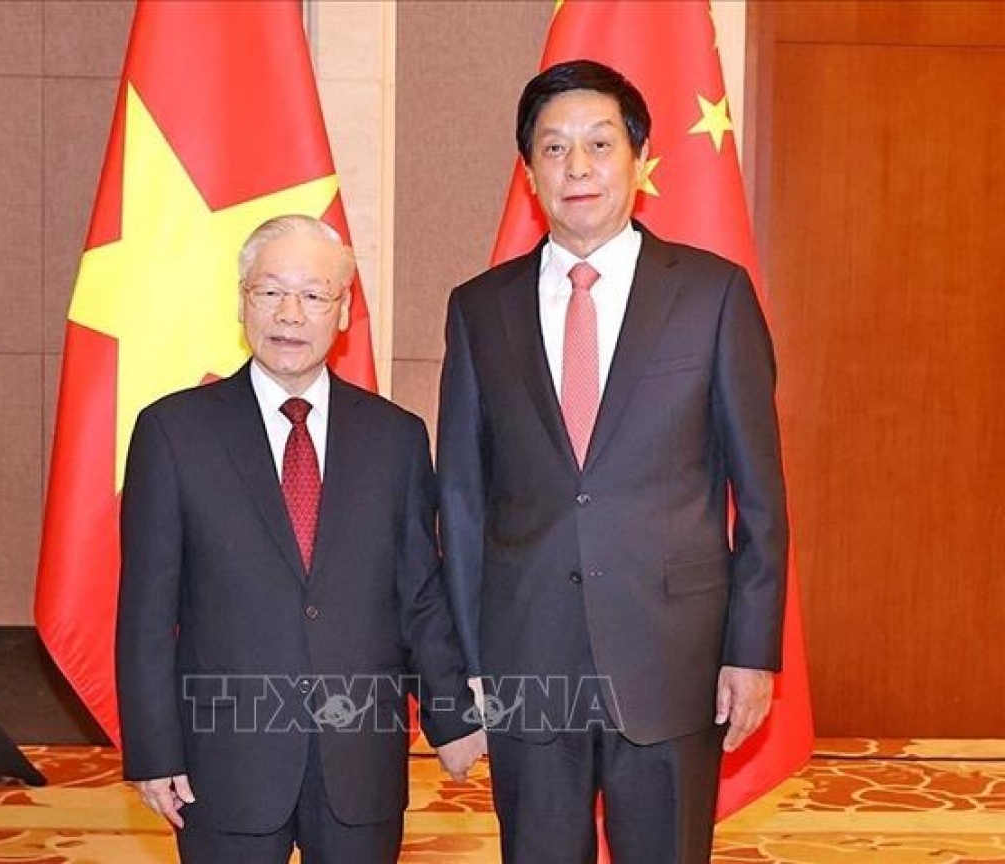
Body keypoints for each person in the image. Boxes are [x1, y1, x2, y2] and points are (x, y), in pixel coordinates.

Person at [436, 60, 789, 863]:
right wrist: (468, 665)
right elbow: (461, 499)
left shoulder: (713, 295)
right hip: (528, 658)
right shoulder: (479, 308)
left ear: (638, 159)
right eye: (554, 149)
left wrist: (751, 648)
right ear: (529, 173)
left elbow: (762, 497)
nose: (578, 167)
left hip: (674, 656)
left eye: (599, 144)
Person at [117, 214, 487, 863]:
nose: (290, 314)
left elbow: (419, 595)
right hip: (224, 762)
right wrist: (153, 750)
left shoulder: (395, 438)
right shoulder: (173, 433)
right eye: (270, 291)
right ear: (243, 302)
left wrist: (451, 714)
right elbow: (146, 612)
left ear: (342, 313)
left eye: (314, 295)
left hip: (360, 757)